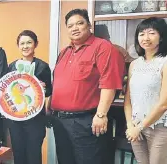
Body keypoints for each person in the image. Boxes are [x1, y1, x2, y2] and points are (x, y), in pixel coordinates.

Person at [49, 9, 125, 164]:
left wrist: (101, 115)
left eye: (79, 23)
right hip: (60, 122)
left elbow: (109, 82)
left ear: (89, 25)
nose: (74, 28)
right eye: (70, 26)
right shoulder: (64, 52)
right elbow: (57, 83)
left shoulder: (103, 47)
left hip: (87, 122)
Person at [124, 17, 167, 164]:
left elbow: (164, 104)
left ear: (161, 37)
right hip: (136, 127)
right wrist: (130, 125)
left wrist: (140, 126)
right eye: (141, 34)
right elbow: (128, 100)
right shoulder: (134, 64)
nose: (145, 38)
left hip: (160, 128)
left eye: (151, 33)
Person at [8, 30, 52, 164]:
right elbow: (6, 90)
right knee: (18, 153)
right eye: (22, 43)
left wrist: (43, 88)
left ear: (35, 44)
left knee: (33, 154)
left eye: (29, 42)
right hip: (16, 119)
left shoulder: (43, 66)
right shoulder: (12, 66)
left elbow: (49, 91)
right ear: (18, 46)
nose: (25, 46)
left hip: (35, 118)